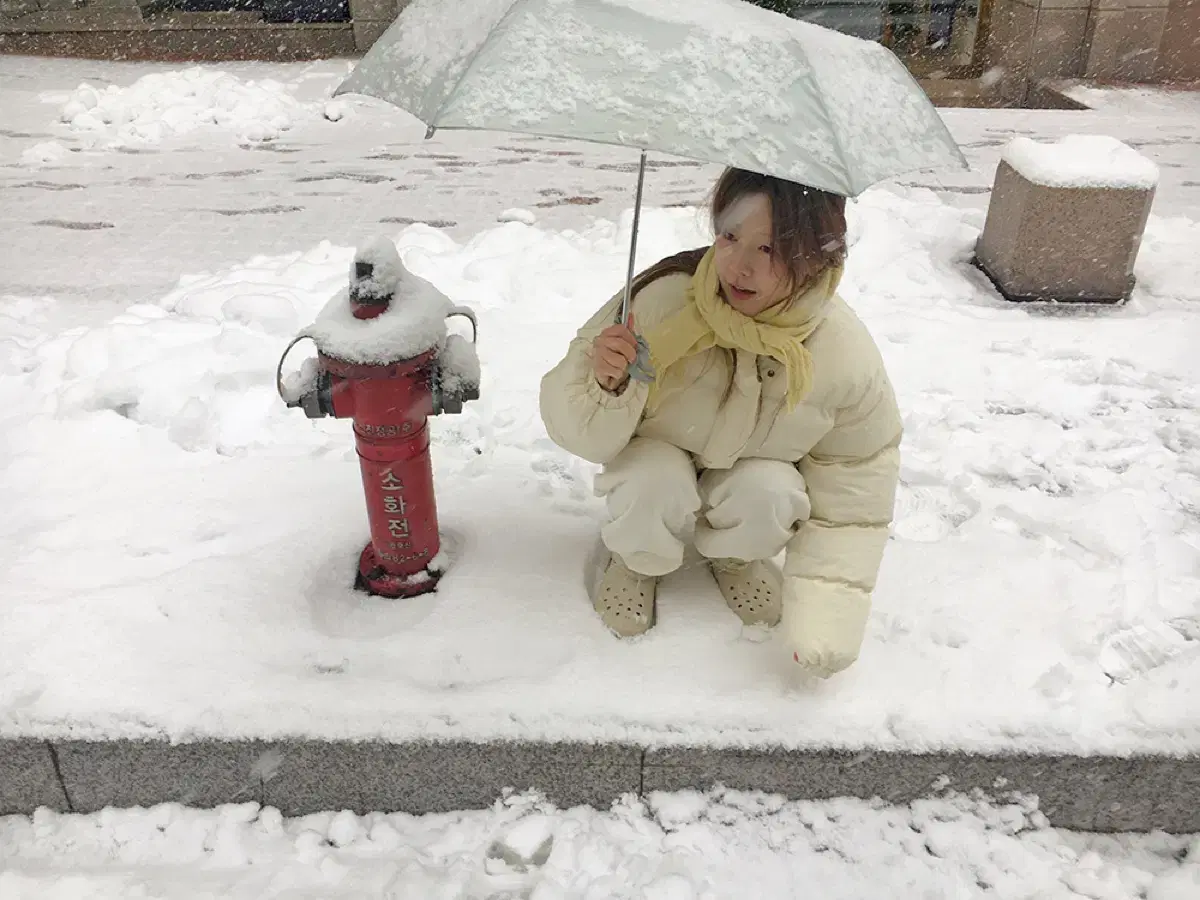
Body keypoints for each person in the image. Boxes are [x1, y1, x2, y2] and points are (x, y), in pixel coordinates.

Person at [538, 168, 902, 679]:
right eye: (730, 236)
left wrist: (827, 618)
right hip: (658, 455)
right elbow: (571, 428)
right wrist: (605, 384)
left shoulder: (840, 354)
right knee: (652, 479)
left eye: (770, 249)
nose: (739, 266)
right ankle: (638, 559)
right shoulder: (660, 302)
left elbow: (856, 487)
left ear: (818, 257)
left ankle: (735, 557)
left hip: (751, 463)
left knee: (770, 491)